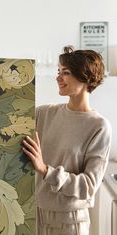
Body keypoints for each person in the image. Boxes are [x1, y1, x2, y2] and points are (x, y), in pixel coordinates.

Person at [22, 46, 112, 235]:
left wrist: (46, 171)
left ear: (85, 77)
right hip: (33, 215)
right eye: (58, 72)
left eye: (66, 72)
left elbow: (88, 186)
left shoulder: (99, 126)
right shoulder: (44, 113)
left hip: (70, 222)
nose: (58, 77)